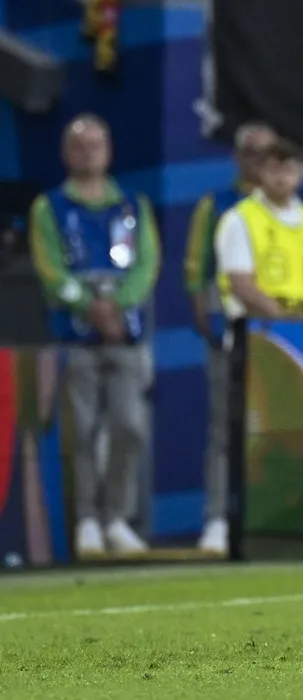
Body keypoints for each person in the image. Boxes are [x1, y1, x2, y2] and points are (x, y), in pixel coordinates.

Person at [29, 114, 160, 557]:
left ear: (109, 151)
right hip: (74, 335)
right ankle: (86, 520)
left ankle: (116, 517)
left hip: (126, 334)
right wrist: (90, 306)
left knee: (130, 426)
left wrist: (120, 304)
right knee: (81, 429)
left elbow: (147, 264)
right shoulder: (49, 207)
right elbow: (50, 272)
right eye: (79, 146)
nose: (88, 153)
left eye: (96, 145)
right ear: (66, 153)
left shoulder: (133, 205)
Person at [184, 121, 276, 555]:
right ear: (237, 158)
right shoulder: (217, 206)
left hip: (279, 337)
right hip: (231, 333)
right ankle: (218, 520)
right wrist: (208, 319)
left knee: (276, 429)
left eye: (268, 153)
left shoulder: (290, 209)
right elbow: (197, 269)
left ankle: (268, 520)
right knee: (224, 430)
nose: (260, 161)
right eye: (251, 152)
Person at [214, 138, 303, 324]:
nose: (281, 177)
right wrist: (284, 321)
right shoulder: (240, 218)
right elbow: (241, 284)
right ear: (261, 172)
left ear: (301, 173)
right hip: (255, 327)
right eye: (274, 170)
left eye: (288, 170)